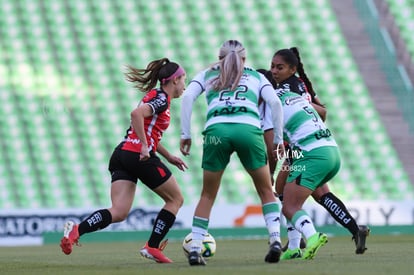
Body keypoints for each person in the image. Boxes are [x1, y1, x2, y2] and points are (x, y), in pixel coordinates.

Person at [60, 58, 188, 264]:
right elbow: (136, 114)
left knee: (118, 212)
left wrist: (168, 156)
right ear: (174, 81)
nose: (185, 85)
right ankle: (152, 247)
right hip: (138, 154)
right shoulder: (162, 99)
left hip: (122, 154)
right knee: (176, 200)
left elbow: (146, 130)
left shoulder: (154, 96)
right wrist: (146, 147)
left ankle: (76, 231)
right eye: (184, 80)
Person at [180, 40, 285, 265]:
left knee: (207, 195)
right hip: (248, 130)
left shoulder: (208, 74)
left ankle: (195, 248)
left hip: (216, 132)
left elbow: (187, 97)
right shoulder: (257, 76)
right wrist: (278, 140)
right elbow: (275, 104)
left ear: (219, 58)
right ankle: (275, 240)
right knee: (266, 190)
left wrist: (185, 134)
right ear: (244, 59)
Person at [259, 47, 369, 260]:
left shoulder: (271, 101)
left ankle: (307, 238)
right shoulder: (295, 88)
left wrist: (267, 174)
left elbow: (272, 148)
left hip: (305, 152)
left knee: (289, 203)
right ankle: (351, 230)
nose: (274, 70)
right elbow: (323, 111)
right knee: (310, 193)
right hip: (327, 147)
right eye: (272, 67)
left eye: (278, 67)